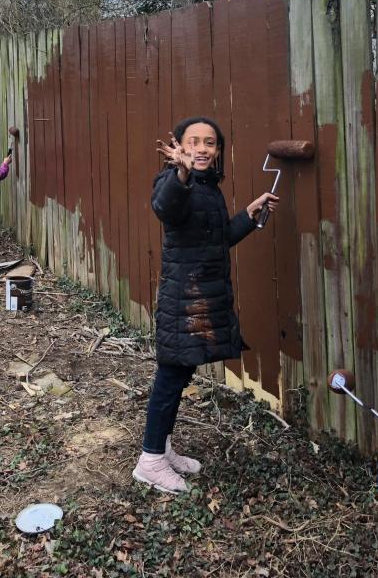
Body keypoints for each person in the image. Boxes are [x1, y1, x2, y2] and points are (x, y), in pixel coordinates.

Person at [132, 116, 279, 494]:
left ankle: (161, 448)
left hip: (200, 296)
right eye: (193, 142)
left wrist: (248, 216)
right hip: (183, 298)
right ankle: (149, 460)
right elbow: (166, 208)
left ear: (218, 150)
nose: (202, 149)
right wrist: (179, 174)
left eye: (210, 143)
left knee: (180, 375)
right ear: (178, 147)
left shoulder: (209, 187)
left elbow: (217, 239)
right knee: (170, 377)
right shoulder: (172, 182)